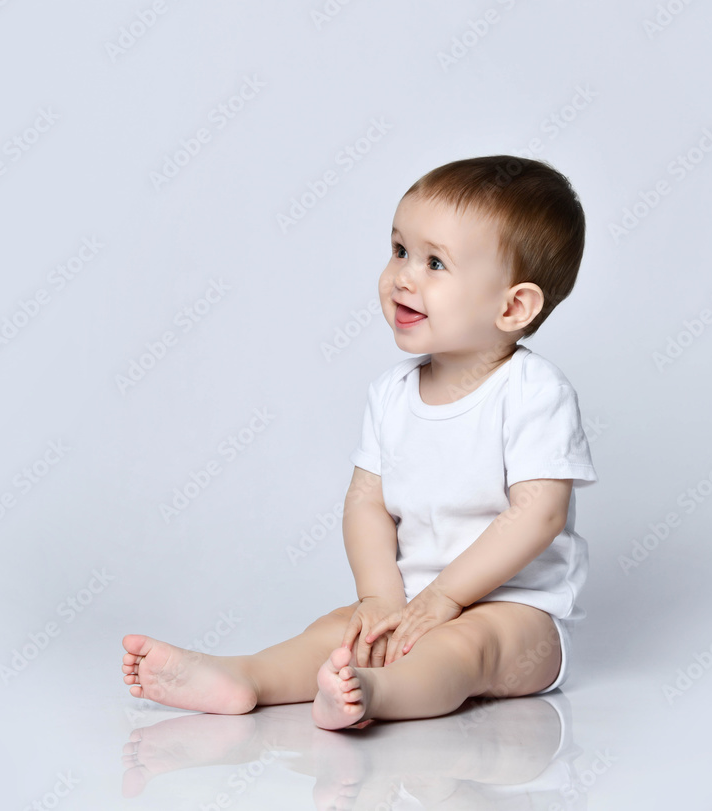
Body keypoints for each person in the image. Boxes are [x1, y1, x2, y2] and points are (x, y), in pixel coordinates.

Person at [122, 155, 599, 730]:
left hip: (519, 614)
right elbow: (366, 502)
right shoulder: (392, 393)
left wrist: (447, 598)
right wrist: (378, 596)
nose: (403, 276)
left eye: (434, 263)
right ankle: (243, 675)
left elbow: (538, 514)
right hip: (416, 599)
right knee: (339, 629)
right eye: (399, 250)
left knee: (469, 649)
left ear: (512, 306)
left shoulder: (533, 392)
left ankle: (375, 693)